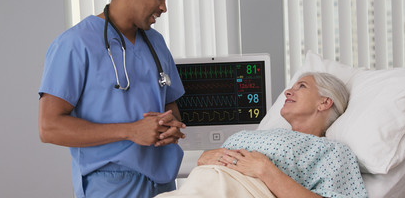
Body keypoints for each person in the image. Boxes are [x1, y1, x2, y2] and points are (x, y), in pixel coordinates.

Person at [38, 0, 186, 197]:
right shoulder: (75, 44)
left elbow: (171, 105)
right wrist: (130, 131)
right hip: (110, 186)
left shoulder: (156, 43)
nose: (164, 7)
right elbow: (49, 127)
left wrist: (170, 126)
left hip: (162, 185)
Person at [157, 72, 368, 198]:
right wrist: (204, 158)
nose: (287, 92)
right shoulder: (269, 133)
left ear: (325, 102)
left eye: (301, 86)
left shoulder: (332, 151)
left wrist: (266, 171)